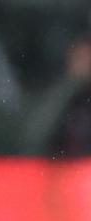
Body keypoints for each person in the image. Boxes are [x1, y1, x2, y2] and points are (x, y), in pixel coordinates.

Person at [24, 20, 91, 157]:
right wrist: (71, 86)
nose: (85, 64)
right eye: (81, 58)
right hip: (64, 170)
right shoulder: (60, 95)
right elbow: (36, 135)